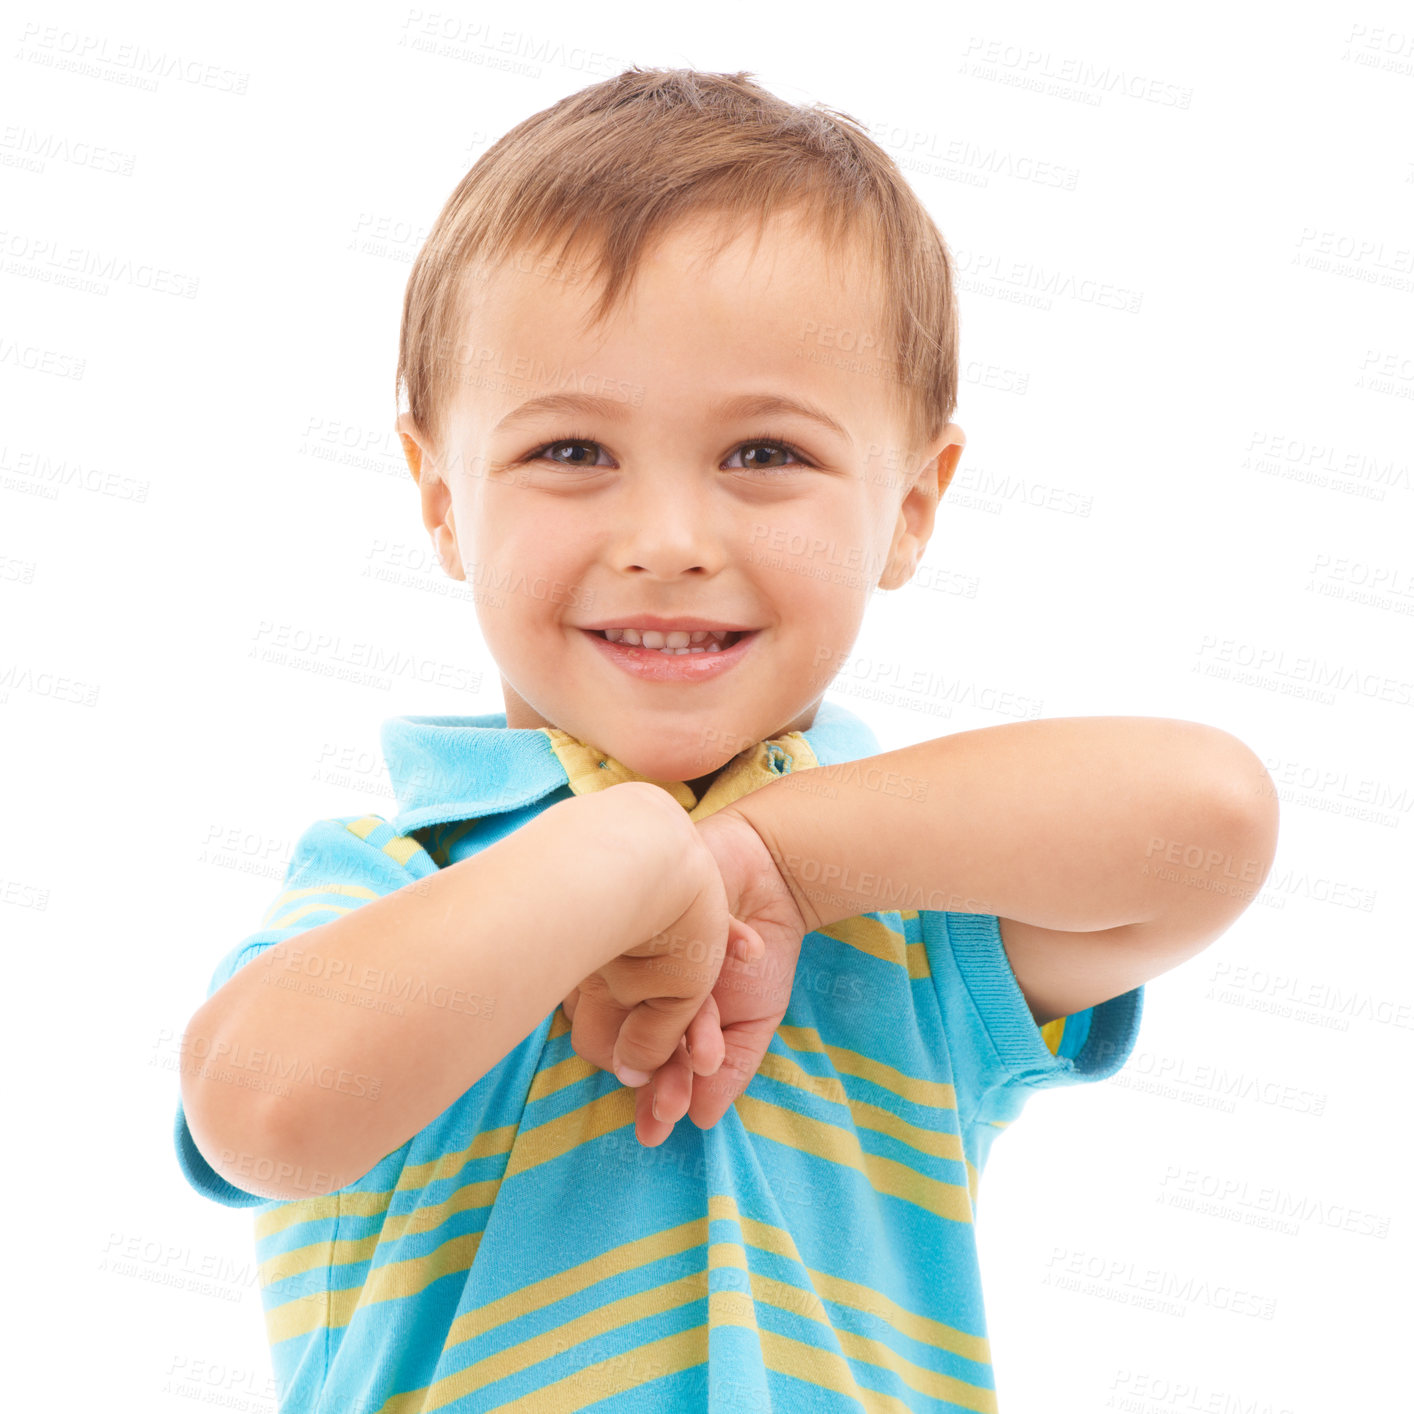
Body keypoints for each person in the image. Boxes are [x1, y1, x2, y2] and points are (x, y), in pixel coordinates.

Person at [173, 66, 1278, 1413]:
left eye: (762, 455)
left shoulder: (902, 911)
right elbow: (260, 1113)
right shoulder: (405, 871)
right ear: (441, 496)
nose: (668, 543)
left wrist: (776, 859)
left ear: (913, 506)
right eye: (573, 450)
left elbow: (1206, 818)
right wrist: (618, 856)